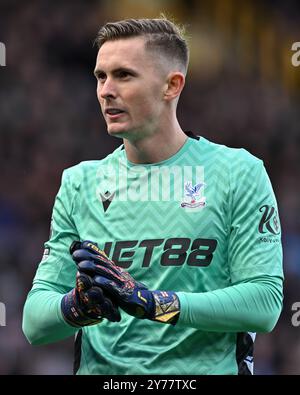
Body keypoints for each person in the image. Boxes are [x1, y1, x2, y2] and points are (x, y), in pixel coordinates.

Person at [22, 16, 283, 375]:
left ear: (172, 86)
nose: (105, 90)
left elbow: (264, 303)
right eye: (100, 76)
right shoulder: (80, 182)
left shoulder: (237, 172)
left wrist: (157, 304)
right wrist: (75, 307)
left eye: (124, 75)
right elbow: (34, 322)